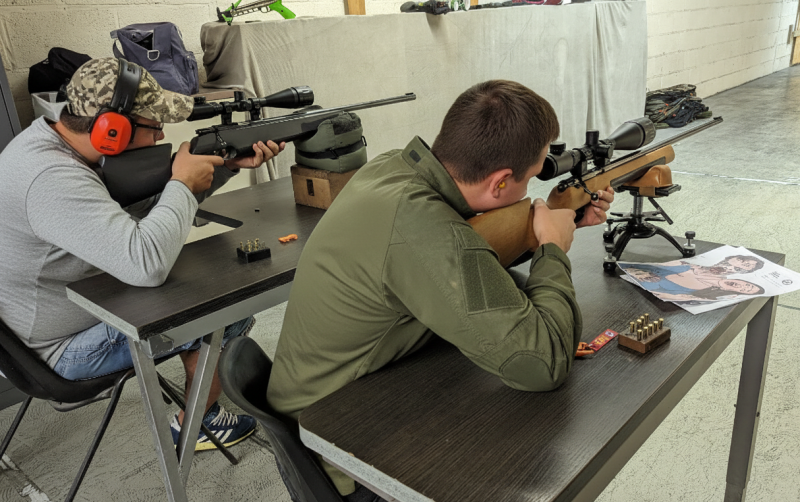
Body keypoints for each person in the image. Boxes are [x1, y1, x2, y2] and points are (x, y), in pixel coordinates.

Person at [266, 80, 614, 501]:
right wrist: (552, 249)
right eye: (535, 172)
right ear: (501, 182)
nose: (536, 183)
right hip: (338, 443)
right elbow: (541, 362)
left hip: (361, 388)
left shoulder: (395, 167)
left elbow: (464, 250)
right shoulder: (421, 227)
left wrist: (561, 219)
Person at [0, 57, 285, 451]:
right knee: (226, 310)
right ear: (111, 130)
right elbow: (145, 263)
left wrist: (223, 165)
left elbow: (133, 214)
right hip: (61, 351)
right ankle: (199, 422)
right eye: (154, 126)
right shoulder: (50, 179)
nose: (162, 134)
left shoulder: (50, 142)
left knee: (200, 283)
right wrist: (182, 184)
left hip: (67, 311)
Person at [620, 263, 765, 301]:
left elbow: (663, 295)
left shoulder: (697, 293)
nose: (742, 286)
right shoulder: (712, 269)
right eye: (748, 285)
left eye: (744, 290)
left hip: (630, 290)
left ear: (735, 293)